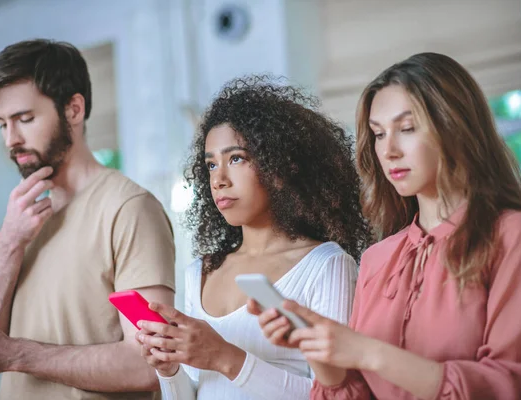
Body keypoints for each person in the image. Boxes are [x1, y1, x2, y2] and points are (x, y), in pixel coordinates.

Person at [252, 52, 521, 399]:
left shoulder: (514, 235)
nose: (388, 151)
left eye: (406, 128)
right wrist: (319, 350)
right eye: (378, 134)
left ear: (455, 127)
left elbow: (513, 385)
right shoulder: (377, 259)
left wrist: (365, 351)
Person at [0, 39, 176, 400]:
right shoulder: (24, 220)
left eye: (25, 119)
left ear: (74, 110)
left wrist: (15, 353)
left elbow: (146, 365)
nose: (11, 140)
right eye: (2, 124)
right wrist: (9, 241)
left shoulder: (129, 208)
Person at [135, 76, 371, 399]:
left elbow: (337, 394)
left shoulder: (327, 266)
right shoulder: (199, 274)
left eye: (236, 159)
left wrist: (224, 357)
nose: (218, 179)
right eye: (210, 164)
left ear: (278, 167)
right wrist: (169, 369)